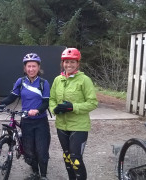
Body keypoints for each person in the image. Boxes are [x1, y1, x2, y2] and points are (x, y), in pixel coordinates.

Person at [0, 53, 50, 180]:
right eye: (28, 66)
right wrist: (0, 103)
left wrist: (37, 110)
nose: (31, 69)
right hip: (26, 121)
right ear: (25, 68)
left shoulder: (43, 83)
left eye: (34, 66)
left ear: (38, 67)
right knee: (29, 150)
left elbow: (46, 102)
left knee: (41, 149)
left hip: (40, 121)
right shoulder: (21, 81)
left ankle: (44, 175)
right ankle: (35, 173)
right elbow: (12, 97)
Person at [49, 48, 98, 180]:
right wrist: (54, 109)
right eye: (66, 62)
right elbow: (52, 99)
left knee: (75, 158)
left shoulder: (84, 80)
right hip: (61, 125)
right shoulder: (57, 80)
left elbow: (93, 103)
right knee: (67, 156)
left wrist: (73, 107)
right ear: (62, 63)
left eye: (72, 62)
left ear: (78, 64)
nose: (68, 65)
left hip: (79, 126)